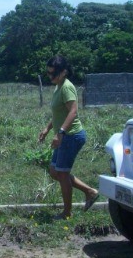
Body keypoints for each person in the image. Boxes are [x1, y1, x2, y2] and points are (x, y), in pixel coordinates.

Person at [38, 55, 98, 219]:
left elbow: (72, 112)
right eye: (48, 73)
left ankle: (67, 213)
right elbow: (59, 114)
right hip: (63, 135)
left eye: (53, 73)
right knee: (54, 171)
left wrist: (60, 133)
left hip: (71, 136)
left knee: (62, 174)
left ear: (63, 72)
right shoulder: (59, 86)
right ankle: (89, 191)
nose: (50, 77)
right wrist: (47, 129)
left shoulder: (66, 87)